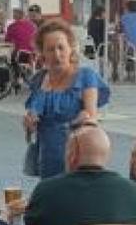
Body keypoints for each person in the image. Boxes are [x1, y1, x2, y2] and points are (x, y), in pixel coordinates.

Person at [23, 20, 110, 179]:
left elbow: (92, 117)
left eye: (61, 47)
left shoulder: (85, 76)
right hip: (47, 160)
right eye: (50, 49)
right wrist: (28, 124)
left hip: (77, 160)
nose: (56, 54)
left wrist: (85, 118)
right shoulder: (38, 80)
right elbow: (31, 125)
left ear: (71, 49)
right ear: (42, 53)